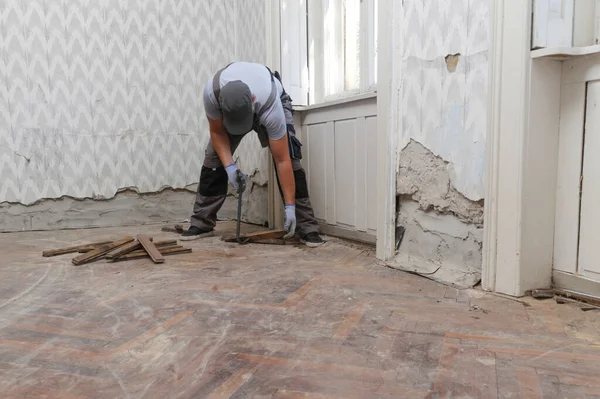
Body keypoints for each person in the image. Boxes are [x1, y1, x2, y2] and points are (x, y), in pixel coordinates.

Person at [180, 61, 324, 247]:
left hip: (274, 101)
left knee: (291, 157)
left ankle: (306, 226)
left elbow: (282, 160)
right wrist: (230, 167)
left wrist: (289, 207)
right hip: (238, 107)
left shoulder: (269, 104)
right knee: (213, 160)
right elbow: (217, 132)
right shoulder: (212, 94)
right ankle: (202, 223)